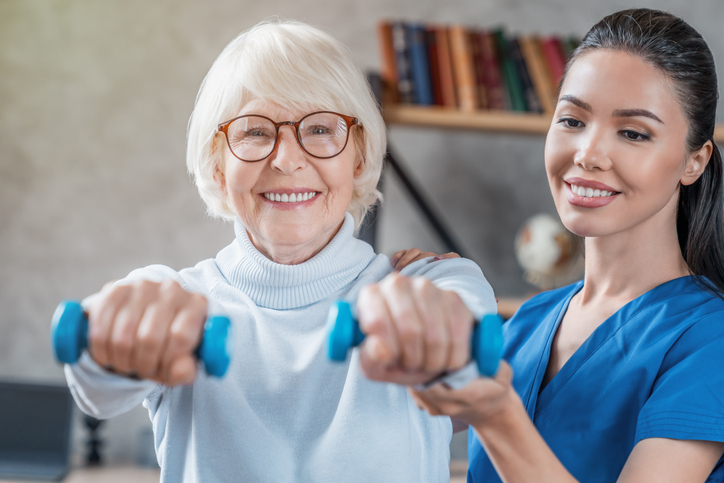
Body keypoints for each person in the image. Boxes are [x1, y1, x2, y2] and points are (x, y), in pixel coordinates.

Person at [63, 20, 497, 483]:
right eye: (254, 132)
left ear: (359, 154)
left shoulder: (436, 283)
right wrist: (106, 339)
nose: (288, 159)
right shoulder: (173, 298)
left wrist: (439, 333)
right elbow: (97, 388)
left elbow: (471, 372)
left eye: (320, 129)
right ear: (217, 162)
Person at [400, 8, 724, 482]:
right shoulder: (528, 323)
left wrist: (497, 417)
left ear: (693, 162)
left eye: (633, 132)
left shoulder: (708, 340)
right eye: (572, 120)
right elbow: (387, 423)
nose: (588, 154)